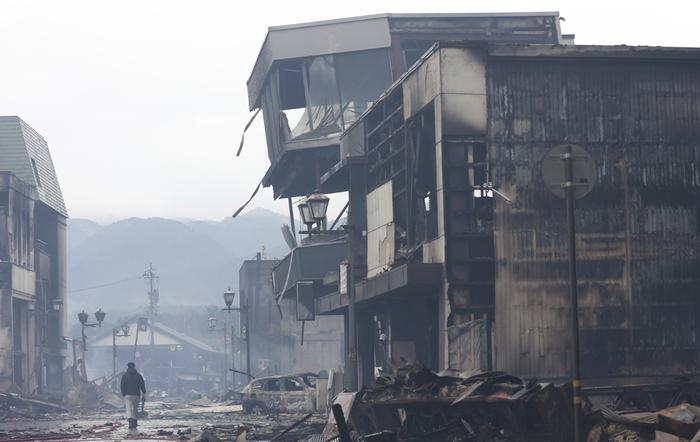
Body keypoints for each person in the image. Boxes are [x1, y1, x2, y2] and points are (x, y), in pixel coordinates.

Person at [120, 362, 146, 430]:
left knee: (128, 409)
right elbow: (142, 385)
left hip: (128, 395)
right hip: (136, 395)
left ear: (128, 367)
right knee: (135, 409)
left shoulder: (124, 376)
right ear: (134, 367)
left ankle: (130, 423)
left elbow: (122, 386)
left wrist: (124, 394)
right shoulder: (138, 375)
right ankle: (135, 423)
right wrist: (144, 392)